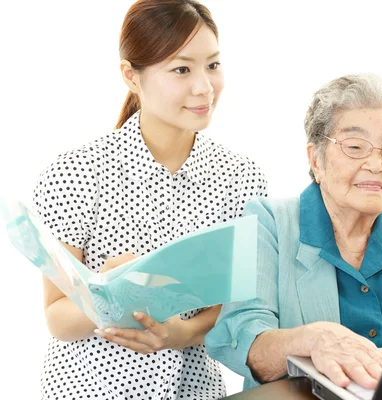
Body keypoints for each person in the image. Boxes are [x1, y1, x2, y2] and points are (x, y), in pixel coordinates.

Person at [32, 1, 267, 399]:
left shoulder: (241, 178)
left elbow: (236, 309)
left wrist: (180, 334)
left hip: (194, 388)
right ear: (131, 75)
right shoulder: (76, 173)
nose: (204, 87)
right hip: (89, 389)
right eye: (181, 69)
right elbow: (57, 316)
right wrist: (109, 293)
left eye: (212, 65)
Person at [205, 73, 382, 391]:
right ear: (316, 159)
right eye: (355, 147)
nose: (376, 164)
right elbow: (241, 338)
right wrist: (309, 339)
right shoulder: (269, 222)